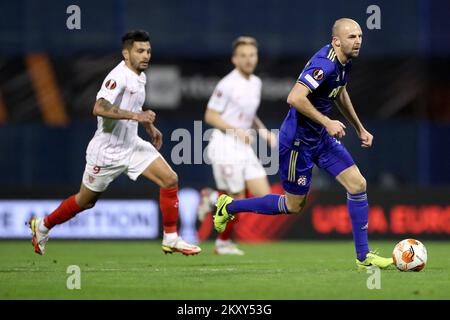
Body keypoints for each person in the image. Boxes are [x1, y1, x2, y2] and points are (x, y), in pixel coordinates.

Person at [213, 19, 393, 269]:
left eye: (360, 36)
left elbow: (339, 91)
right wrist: (327, 121)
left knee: (358, 183)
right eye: (352, 37)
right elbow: (294, 97)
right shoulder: (325, 64)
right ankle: (230, 205)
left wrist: (358, 127)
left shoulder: (344, 63)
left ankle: (363, 258)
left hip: (320, 138)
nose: (358, 40)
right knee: (292, 205)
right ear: (336, 41)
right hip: (298, 142)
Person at [28, 30, 201, 256]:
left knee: (170, 179)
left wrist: (149, 126)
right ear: (126, 54)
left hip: (131, 145)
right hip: (106, 152)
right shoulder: (117, 77)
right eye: (140, 51)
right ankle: (42, 226)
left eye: (148, 51)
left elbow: (136, 108)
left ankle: (171, 238)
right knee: (85, 201)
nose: (146, 55)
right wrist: (137, 117)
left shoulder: (140, 76)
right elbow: (99, 107)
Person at [200, 36, 277, 255]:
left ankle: (214, 202)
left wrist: (262, 131)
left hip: (243, 146)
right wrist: (237, 131)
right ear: (234, 59)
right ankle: (213, 205)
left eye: (252, 55)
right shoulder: (227, 84)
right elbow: (210, 115)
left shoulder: (256, 83)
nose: (248, 59)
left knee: (265, 197)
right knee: (237, 199)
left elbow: (249, 115)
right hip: (225, 144)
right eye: (243, 56)